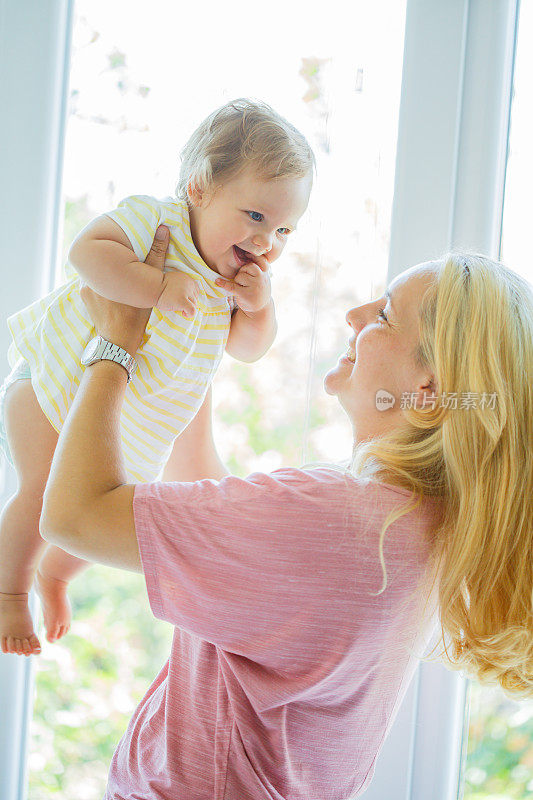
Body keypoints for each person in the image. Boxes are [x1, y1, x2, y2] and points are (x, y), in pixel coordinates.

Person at [37, 229, 532, 799]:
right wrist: (191, 349)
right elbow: (210, 503)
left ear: (426, 389)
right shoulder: (420, 526)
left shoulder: (340, 518)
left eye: (387, 315)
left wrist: (115, 344)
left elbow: (76, 517)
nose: (354, 314)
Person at [0, 98, 314, 656]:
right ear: (198, 187)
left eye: (285, 229)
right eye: (256, 217)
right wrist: (156, 288)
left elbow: (247, 350)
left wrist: (260, 308)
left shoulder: (237, 278)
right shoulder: (155, 221)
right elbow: (86, 252)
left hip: (127, 424)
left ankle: (56, 576)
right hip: (54, 386)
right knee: (44, 489)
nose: (268, 243)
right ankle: (9, 592)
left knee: (98, 516)